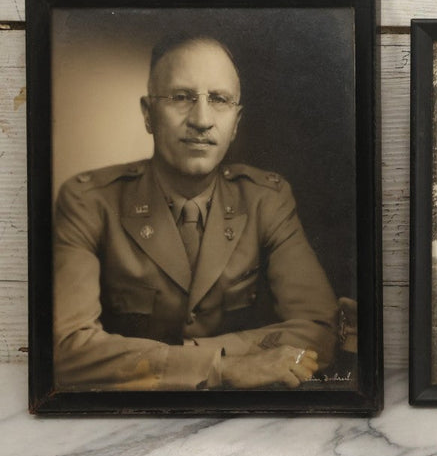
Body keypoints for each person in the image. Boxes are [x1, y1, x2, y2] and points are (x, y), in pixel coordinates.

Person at [53, 35, 338, 390]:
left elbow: (321, 329)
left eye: (219, 100)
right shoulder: (89, 202)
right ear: (148, 114)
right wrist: (221, 367)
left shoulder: (267, 199)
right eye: (181, 97)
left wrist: (186, 360)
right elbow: (66, 350)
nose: (202, 120)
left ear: (236, 121)